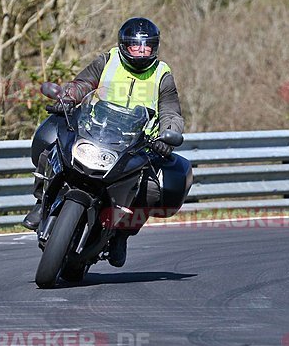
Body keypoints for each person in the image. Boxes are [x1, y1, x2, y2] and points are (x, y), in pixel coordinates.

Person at [22, 17, 185, 268]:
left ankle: (122, 235)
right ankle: (40, 200)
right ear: (124, 46)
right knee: (51, 143)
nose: (141, 51)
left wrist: (168, 136)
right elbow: (82, 83)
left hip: (136, 142)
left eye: (147, 46)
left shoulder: (162, 74)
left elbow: (170, 112)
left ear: (155, 48)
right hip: (95, 129)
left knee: (151, 188)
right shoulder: (109, 60)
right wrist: (67, 99)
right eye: (135, 46)